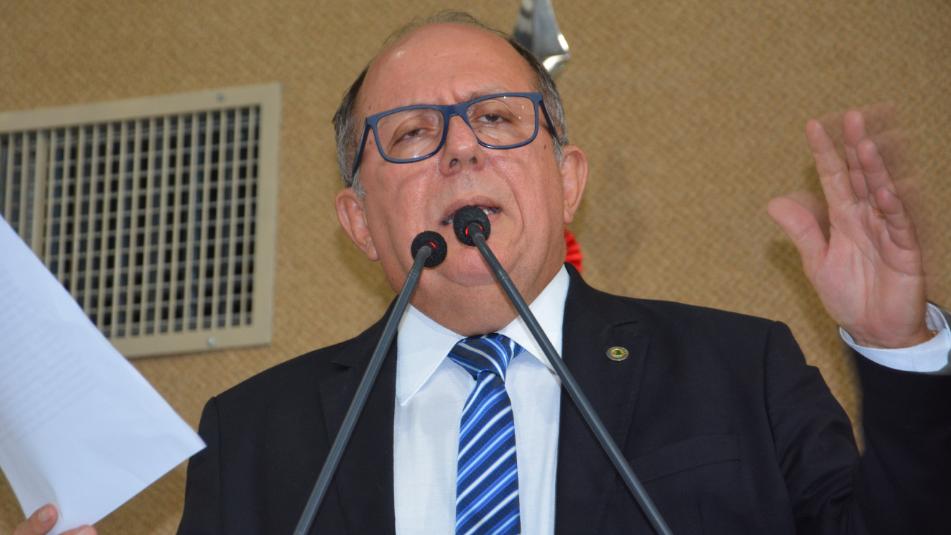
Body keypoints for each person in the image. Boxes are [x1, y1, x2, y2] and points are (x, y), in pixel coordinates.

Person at [18, 11, 950, 535]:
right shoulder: (254, 438)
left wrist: (898, 352)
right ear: (359, 222)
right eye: (412, 133)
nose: (460, 151)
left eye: (498, 120)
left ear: (568, 179)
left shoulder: (735, 369)